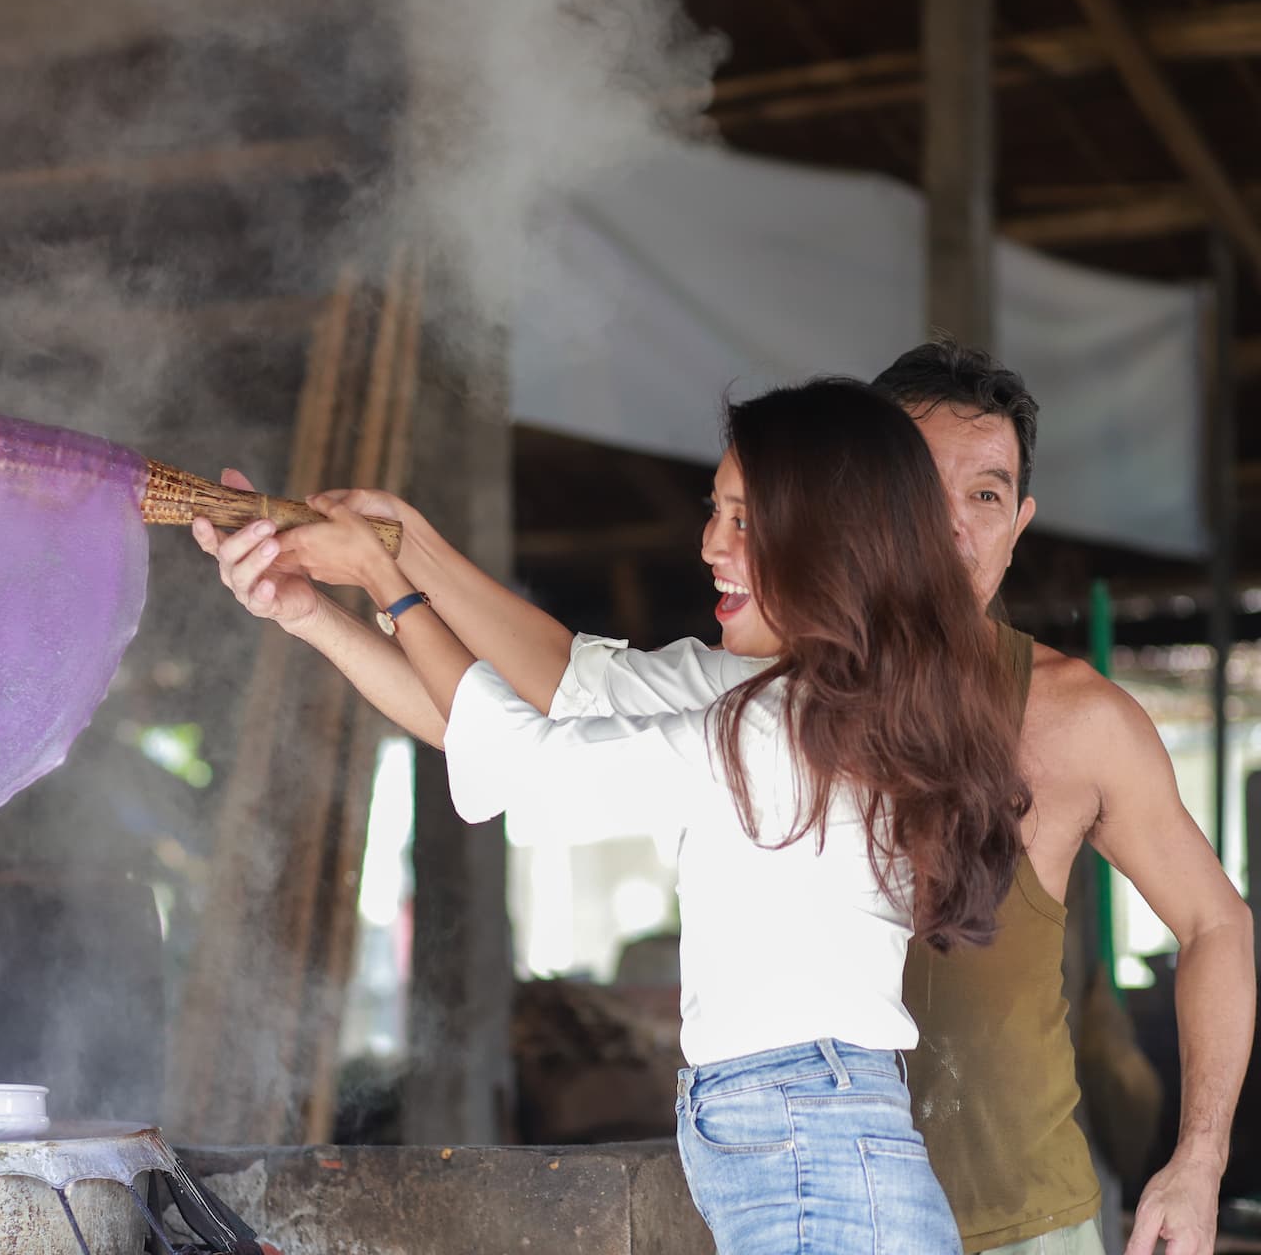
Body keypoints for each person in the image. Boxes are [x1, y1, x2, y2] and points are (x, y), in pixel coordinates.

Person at [200, 380, 1029, 1252]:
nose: (710, 543)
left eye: (744, 521)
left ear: (833, 540)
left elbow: (523, 760)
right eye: (717, 511)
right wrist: (314, 614)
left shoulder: (782, 730)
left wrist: (387, 579)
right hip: (824, 1147)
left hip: (817, 1163)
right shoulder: (810, 706)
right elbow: (533, 708)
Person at [871, 341, 1254, 1255]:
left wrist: (1199, 1161)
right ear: (864, 498)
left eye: (987, 496)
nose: (956, 529)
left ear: (1019, 523)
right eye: (924, 488)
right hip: (819, 1217)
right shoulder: (776, 697)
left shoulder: (1079, 719)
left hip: (1029, 1230)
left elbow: (1216, 924)